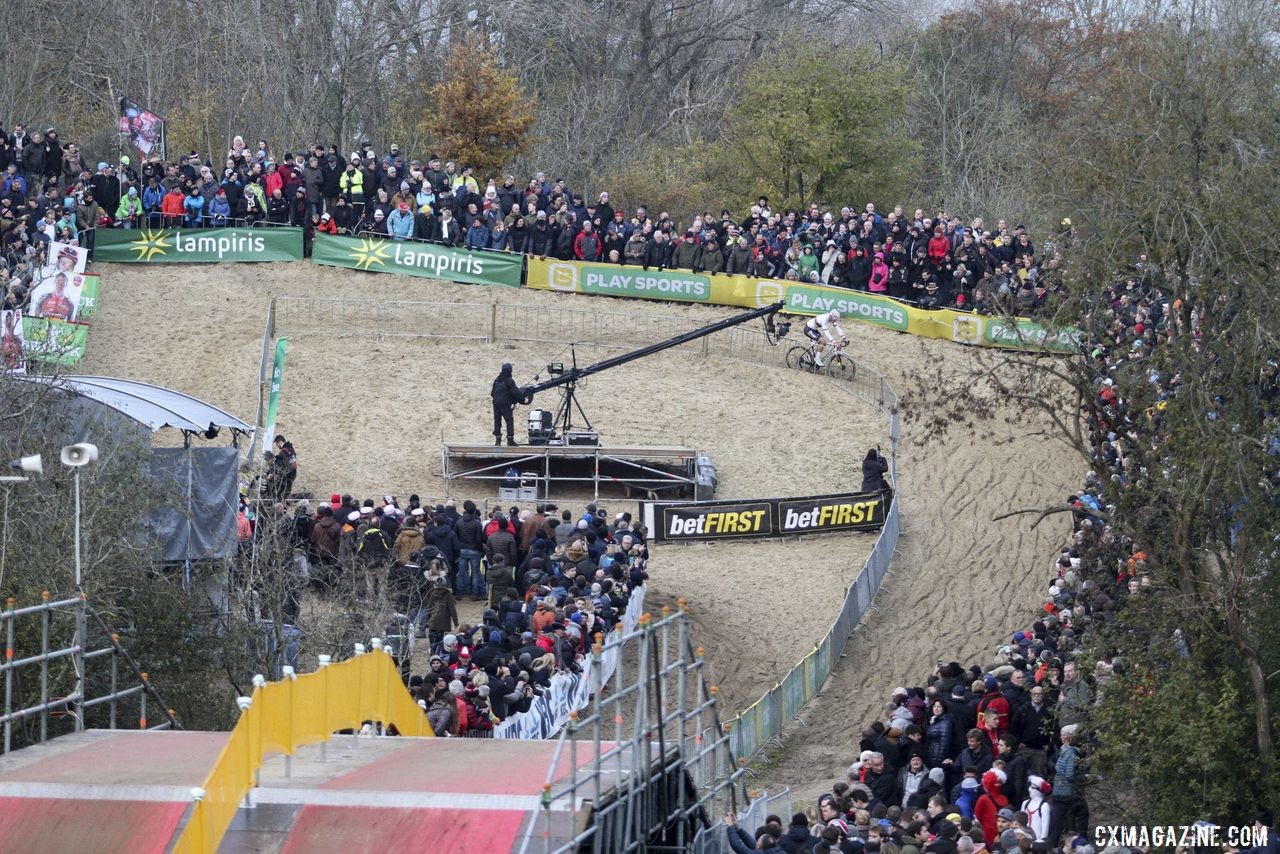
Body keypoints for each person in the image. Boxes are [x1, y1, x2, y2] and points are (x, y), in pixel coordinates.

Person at [490, 362, 521, 446]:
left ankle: (498, 441)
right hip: (505, 403)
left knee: (497, 420)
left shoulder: (496, 380)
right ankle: (510, 440)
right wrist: (520, 399)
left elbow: (492, 393)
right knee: (509, 420)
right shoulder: (509, 380)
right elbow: (515, 393)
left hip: (495, 403)